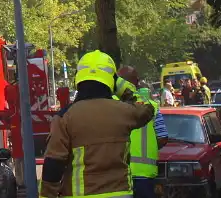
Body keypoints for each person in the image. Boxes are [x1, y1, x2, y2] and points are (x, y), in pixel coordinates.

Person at [41, 51, 155, 198]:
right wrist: (122, 86)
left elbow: (53, 163)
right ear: (112, 80)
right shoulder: (125, 111)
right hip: (121, 193)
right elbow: (147, 108)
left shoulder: (65, 116)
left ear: (78, 78)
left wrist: (46, 195)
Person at [118, 68, 169, 198]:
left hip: (118, 174)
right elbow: (163, 138)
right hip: (144, 175)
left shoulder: (110, 105)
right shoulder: (151, 106)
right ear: (136, 82)